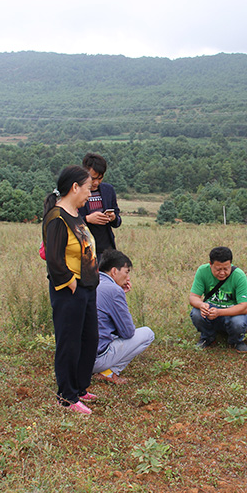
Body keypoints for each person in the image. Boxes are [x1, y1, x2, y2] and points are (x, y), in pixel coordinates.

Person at [42, 165, 100, 414]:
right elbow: (54, 259)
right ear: (75, 187)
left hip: (87, 287)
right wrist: (72, 283)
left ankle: (79, 387)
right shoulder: (56, 217)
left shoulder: (75, 214)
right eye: (88, 188)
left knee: (89, 339)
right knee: (70, 342)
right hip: (70, 290)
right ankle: (66, 396)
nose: (90, 193)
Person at [93, 249, 155, 384]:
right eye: (126, 272)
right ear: (114, 271)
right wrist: (120, 294)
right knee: (147, 334)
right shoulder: (113, 290)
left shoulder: (90, 282)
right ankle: (110, 372)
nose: (128, 278)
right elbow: (127, 332)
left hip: (78, 358)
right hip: (96, 359)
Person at [189, 246, 247, 353]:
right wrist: (201, 305)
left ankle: (236, 341)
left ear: (231, 264)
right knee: (196, 313)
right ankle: (207, 338)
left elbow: (244, 307)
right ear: (210, 264)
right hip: (211, 310)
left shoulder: (239, 275)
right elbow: (193, 297)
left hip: (232, 312)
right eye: (218, 269)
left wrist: (219, 312)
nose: (222, 273)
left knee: (238, 322)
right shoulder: (202, 271)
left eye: (226, 269)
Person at [78, 153, 121, 254]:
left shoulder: (108, 190)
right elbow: (68, 221)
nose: (96, 183)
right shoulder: (76, 191)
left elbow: (117, 221)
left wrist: (113, 217)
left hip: (106, 248)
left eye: (100, 178)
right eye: (93, 178)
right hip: (84, 247)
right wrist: (87, 219)